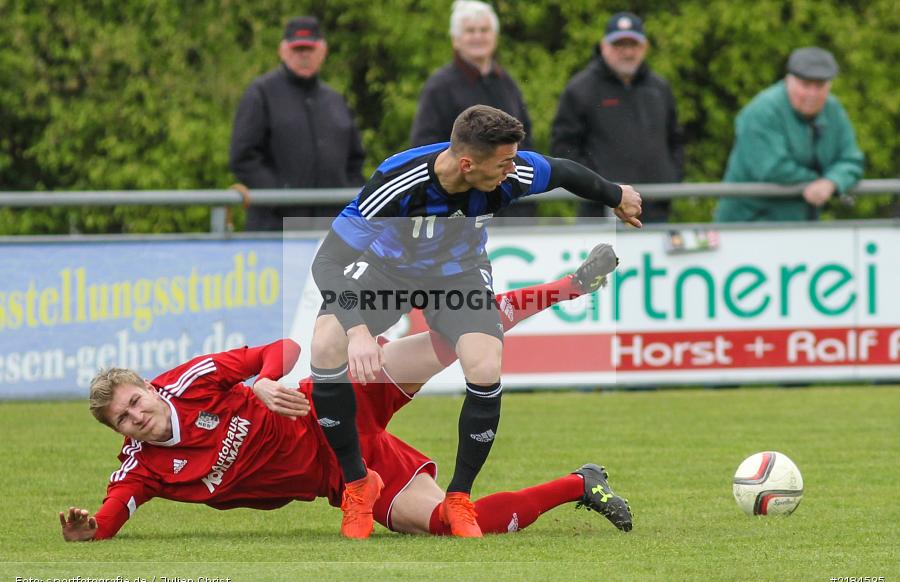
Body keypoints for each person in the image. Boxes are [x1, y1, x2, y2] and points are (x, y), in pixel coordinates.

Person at [58, 261, 633, 542]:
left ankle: (568, 287)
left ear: (150, 388)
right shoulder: (145, 470)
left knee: (455, 337)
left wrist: (258, 383)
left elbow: (282, 348)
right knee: (455, 526)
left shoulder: (192, 381)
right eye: (124, 420)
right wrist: (89, 529)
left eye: (135, 401)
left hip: (337, 402)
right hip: (346, 476)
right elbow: (109, 519)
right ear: (122, 433)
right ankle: (581, 483)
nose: (137, 417)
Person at [309, 104, 642, 539]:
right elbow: (328, 263)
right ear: (467, 163)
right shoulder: (398, 181)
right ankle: (357, 484)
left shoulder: (513, 171)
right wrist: (358, 334)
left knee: (484, 363)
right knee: (325, 344)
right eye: (503, 163)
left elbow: (562, 171)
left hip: (456, 275)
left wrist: (614, 194)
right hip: (385, 275)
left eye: (513, 159)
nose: (512, 170)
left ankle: (459, 497)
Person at [229, 16, 366, 231]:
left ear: (323, 51)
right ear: (282, 51)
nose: (303, 55)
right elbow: (243, 157)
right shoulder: (261, 94)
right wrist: (280, 197)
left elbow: (355, 162)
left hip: (330, 231)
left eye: (309, 49)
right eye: (297, 49)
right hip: (274, 230)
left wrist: (346, 202)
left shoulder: (336, 100)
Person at [551, 11, 684, 223]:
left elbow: (676, 139)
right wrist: (599, 187)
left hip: (656, 209)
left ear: (644, 47)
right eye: (619, 45)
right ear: (604, 46)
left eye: (633, 45)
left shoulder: (660, 88)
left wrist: (671, 177)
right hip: (601, 211)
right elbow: (564, 149)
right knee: (602, 258)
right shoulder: (581, 89)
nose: (627, 52)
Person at [410, 0, 535, 222]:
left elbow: (526, 137)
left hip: (510, 204)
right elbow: (424, 146)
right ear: (456, 40)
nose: (478, 36)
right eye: (470, 31)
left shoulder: (506, 83)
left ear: (494, 36)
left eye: (484, 30)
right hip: (460, 208)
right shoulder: (440, 86)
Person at [714, 47, 865, 222]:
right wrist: (819, 181)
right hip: (749, 223)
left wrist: (831, 182)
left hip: (801, 223)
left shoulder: (833, 110)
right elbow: (773, 168)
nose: (812, 94)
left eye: (820, 86)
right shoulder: (762, 110)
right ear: (788, 81)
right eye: (806, 85)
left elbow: (851, 160)